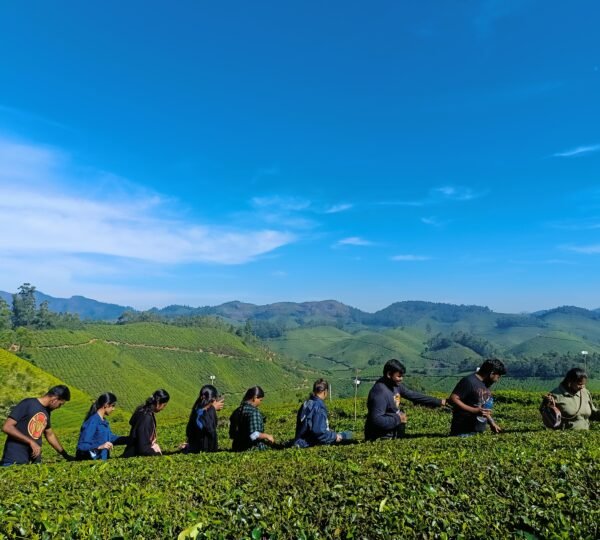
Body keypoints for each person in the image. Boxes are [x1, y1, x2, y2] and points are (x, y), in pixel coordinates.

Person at [365, 359, 446, 441]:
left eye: (402, 376)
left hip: (393, 433)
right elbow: (376, 421)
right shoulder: (380, 392)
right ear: (389, 374)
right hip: (381, 437)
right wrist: (398, 419)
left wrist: (439, 402)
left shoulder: (395, 385)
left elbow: (413, 395)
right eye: (399, 376)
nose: (401, 379)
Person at [1, 385, 73, 465]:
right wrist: (30, 442)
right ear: (54, 400)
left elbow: (50, 434)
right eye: (60, 404)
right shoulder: (28, 403)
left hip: (33, 461)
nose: (58, 407)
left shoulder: (46, 411)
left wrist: (65, 455)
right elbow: (7, 427)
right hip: (14, 459)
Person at [449, 359, 506, 436]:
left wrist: (492, 423)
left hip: (477, 431)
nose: (497, 380)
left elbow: (482, 408)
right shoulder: (469, 381)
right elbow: (453, 399)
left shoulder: (485, 384)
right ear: (492, 373)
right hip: (463, 431)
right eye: (498, 377)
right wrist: (474, 410)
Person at [293, 378, 351, 448]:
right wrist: (335, 436)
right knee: (347, 435)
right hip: (308, 443)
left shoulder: (306, 403)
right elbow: (319, 432)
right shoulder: (318, 407)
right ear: (325, 391)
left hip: (300, 441)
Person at [76, 393, 128, 460]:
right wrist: (99, 447)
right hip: (93, 463)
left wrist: (129, 439)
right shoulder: (92, 421)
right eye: (112, 406)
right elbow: (82, 446)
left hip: (103, 460)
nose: (113, 409)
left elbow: (110, 437)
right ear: (106, 405)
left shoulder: (103, 421)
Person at [123, 389, 170, 457]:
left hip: (130, 452)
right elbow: (143, 449)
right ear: (158, 403)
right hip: (134, 455)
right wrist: (157, 453)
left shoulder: (142, 410)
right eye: (164, 405)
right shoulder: (146, 418)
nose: (163, 408)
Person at [229, 386, 274, 451]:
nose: (260, 403)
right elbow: (254, 435)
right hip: (253, 449)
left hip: (237, 447)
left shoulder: (236, 412)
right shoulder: (254, 412)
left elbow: (232, 434)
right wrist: (267, 436)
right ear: (255, 398)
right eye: (260, 400)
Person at [185, 385, 225, 453]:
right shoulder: (200, 412)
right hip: (202, 448)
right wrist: (212, 408)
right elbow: (207, 428)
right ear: (212, 399)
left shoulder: (197, 409)